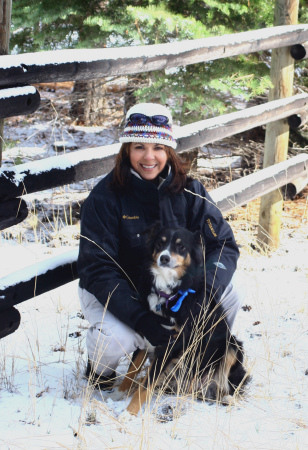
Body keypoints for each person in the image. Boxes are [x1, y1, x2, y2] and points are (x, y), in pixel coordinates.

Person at [77, 102, 244, 389]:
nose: (149, 156)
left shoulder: (191, 192)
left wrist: (206, 288)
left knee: (229, 295)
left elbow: (223, 243)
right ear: (126, 150)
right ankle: (100, 372)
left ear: (169, 150)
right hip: (121, 292)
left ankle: (188, 362)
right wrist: (142, 319)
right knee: (116, 338)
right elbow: (97, 268)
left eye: (158, 147)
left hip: (175, 291)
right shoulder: (105, 197)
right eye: (139, 147)